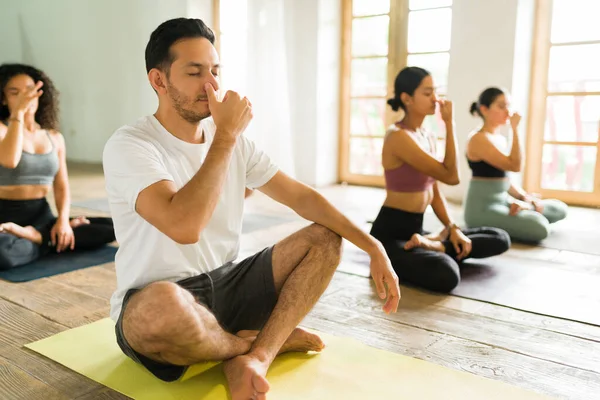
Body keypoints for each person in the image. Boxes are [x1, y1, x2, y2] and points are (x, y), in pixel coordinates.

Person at [102, 18, 400, 400]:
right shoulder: (130, 145)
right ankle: (253, 344)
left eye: (215, 71)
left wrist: (373, 246)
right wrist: (225, 136)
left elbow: (303, 198)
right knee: (163, 308)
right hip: (160, 297)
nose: (210, 85)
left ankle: (257, 356)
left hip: (229, 284)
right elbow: (184, 226)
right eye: (194, 73)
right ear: (159, 81)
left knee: (325, 239)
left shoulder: (234, 143)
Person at [370, 67, 510, 294]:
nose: (435, 99)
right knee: (447, 273)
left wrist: (452, 228)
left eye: (435, 91)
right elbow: (451, 177)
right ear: (407, 99)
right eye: (427, 93)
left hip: (419, 231)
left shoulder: (426, 135)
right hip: (392, 236)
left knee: (500, 237)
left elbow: (434, 190)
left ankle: (435, 244)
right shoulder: (397, 137)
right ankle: (435, 248)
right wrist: (450, 124)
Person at [0, 63, 115, 269]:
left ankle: (37, 237)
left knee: (111, 227)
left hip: (41, 215)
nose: (24, 97)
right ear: (3, 98)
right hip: (5, 216)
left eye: (29, 91)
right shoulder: (2, 129)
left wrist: (62, 221)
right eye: (14, 93)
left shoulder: (54, 137)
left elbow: (61, 186)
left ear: (39, 94)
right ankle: (48, 240)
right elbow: (10, 160)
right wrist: (17, 113)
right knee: (3, 254)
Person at [464, 87, 568, 242]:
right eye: (501, 106)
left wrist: (525, 198)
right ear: (484, 110)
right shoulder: (477, 139)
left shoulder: (499, 138)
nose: (508, 111)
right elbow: (515, 166)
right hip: (483, 209)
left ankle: (526, 208)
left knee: (559, 208)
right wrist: (515, 129)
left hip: (504, 201)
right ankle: (525, 211)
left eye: (508, 105)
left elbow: (504, 179)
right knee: (539, 227)